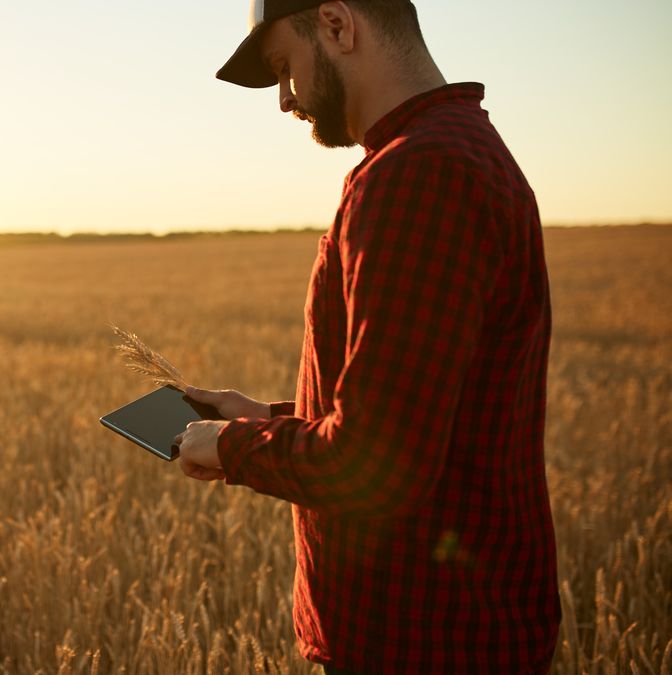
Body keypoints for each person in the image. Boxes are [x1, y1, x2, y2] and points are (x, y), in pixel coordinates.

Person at [172, 1, 562, 673]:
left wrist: (232, 445)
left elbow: (377, 467)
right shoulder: (457, 147)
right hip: (452, 631)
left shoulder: (417, 175)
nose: (286, 100)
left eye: (283, 67)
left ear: (337, 25)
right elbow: (422, 416)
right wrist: (269, 417)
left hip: (421, 642)